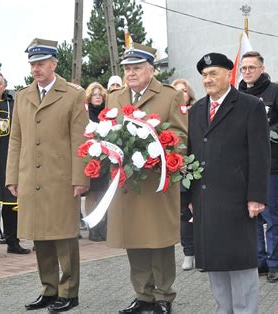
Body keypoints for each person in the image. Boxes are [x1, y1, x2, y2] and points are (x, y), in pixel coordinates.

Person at [6, 38, 89, 312]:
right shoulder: (22, 96)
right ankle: (49, 290)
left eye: (40, 63)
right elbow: (16, 139)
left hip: (61, 177)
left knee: (64, 236)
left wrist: (80, 178)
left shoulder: (73, 94)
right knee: (40, 236)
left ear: (54, 63)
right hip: (32, 178)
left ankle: (69, 291)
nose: (35, 69)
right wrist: (12, 176)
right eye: (32, 64)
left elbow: (81, 140)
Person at [106, 43, 188, 314]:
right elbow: (107, 133)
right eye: (127, 68)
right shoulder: (115, 97)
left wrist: (158, 156)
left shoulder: (169, 96)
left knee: (159, 240)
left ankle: (163, 296)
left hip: (156, 181)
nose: (131, 73)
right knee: (134, 239)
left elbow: (180, 136)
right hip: (127, 182)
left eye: (137, 68)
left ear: (151, 70)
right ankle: (143, 295)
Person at [189, 52, 270, 313]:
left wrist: (257, 196)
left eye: (213, 73)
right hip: (205, 200)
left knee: (240, 264)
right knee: (215, 263)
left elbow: (260, 154)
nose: (208, 79)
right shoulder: (196, 109)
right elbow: (191, 153)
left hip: (237, 199)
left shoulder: (250, 105)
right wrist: (189, 197)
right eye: (204, 75)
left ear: (228, 75)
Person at [238, 51, 278, 282]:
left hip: (268, 163)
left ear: (262, 68)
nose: (247, 71)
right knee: (252, 216)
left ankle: (273, 263)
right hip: (243, 165)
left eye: (252, 67)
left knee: (271, 215)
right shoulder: (237, 93)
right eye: (244, 67)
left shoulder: (276, 91)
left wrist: (271, 132)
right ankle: (258, 261)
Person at [0, 71, 30, 258]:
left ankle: (13, 241)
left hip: (10, 160)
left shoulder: (14, 104)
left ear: (4, 85)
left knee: (11, 204)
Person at [171, 78, 196, 270]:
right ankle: (189, 252)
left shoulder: (198, 112)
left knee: (200, 210)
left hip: (197, 168)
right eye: (176, 91)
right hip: (178, 170)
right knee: (184, 213)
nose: (181, 94)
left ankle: (204, 251)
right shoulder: (168, 114)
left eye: (184, 91)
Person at [84, 82, 109, 242]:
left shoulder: (108, 113)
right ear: (89, 97)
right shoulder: (85, 113)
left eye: (100, 94)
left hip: (106, 157)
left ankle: (103, 226)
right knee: (92, 193)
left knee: (104, 193)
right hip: (91, 158)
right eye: (94, 94)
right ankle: (93, 228)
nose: (98, 97)